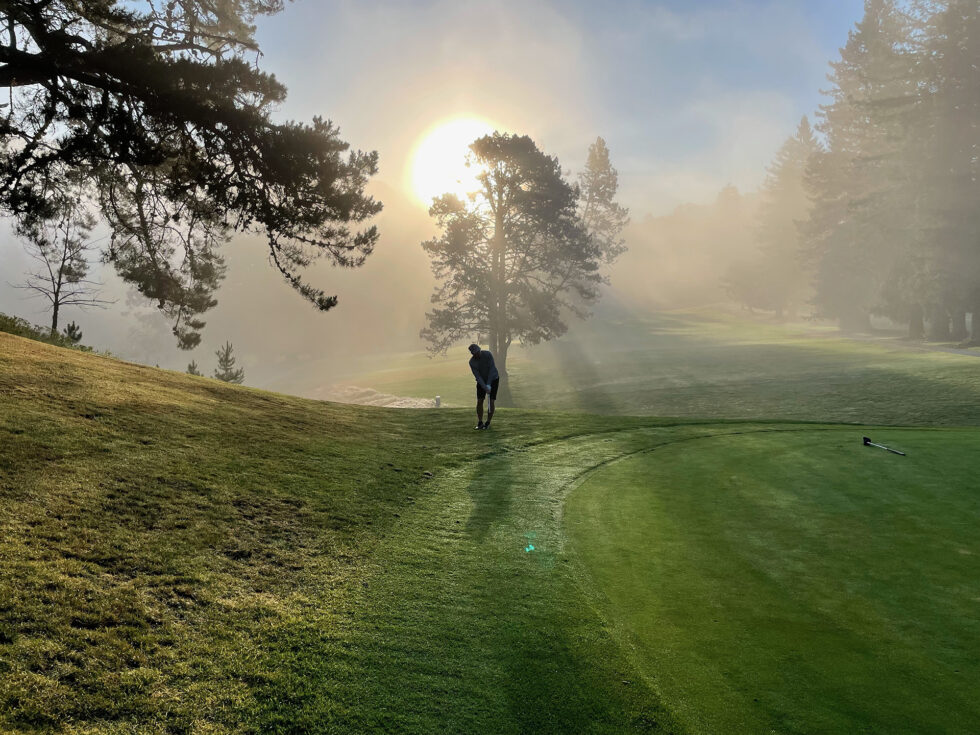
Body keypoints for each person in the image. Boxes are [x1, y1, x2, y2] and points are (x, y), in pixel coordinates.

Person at [468, 343, 499, 430]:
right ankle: (480, 422)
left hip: (493, 379)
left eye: (478, 352)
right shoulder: (472, 362)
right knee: (479, 401)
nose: (477, 354)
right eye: (475, 353)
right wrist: (485, 387)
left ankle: (488, 422)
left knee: (491, 401)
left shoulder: (487, 354)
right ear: (472, 354)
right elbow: (477, 376)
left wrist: (489, 384)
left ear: (480, 350)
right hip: (482, 382)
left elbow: (492, 369)